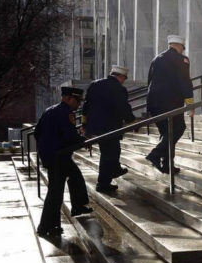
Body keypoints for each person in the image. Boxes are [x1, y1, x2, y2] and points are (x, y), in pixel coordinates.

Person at [34, 87, 92, 236]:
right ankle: (46, 226)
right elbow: (69, 136)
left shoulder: (50, 110)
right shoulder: (65, 113)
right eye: (77, 101)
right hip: (58, 156)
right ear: (67, 99)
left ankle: (76, 207)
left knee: (74, 176)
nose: (78, 104)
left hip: (51, 155)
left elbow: (37, 132)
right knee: (55, 192)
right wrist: (84, 141)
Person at [82, 65, 136, 193]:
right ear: (121, 76)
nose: (124, 81)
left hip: (95, 125)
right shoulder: (119, 88)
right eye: (124, 78)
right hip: (110, 127)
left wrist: (84, 125)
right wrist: (133, 121)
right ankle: (103, 184)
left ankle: (115, 169)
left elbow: (86, 106)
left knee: (113, 150)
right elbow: (123, 107)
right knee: (108, 154)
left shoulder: (94, 84)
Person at [145, 34, 193, 174]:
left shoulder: (156, 59)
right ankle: (155, 154)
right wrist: (190, 104)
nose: (182, 51)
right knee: (178, 128)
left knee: (167, 133)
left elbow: (150, 81)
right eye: (182, 48)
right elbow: (185, 81)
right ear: (179, 46)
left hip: (154, 103)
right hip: (171, 103)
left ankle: (167, 165)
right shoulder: (181, 59)